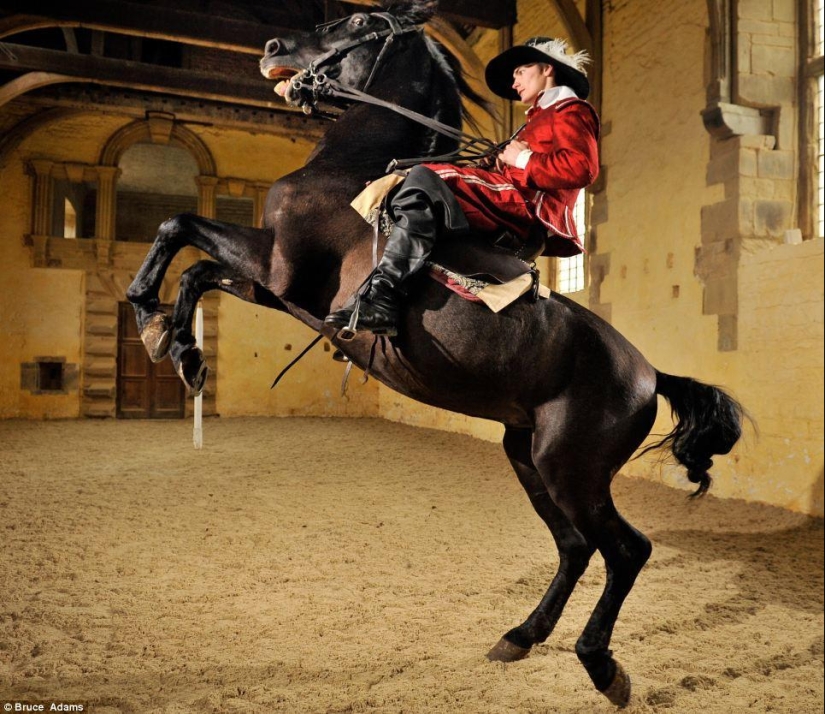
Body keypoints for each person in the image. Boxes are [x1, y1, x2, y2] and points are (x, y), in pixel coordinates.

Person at [325, 37, 600, 337]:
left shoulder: (571, 110)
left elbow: (582, 168)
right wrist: (497, 162)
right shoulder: (538, 118)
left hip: (527, 210)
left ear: (547, 68)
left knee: (422, 178)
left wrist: (522, 158)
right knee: (405, 180)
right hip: (508, 198)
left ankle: (383, 297)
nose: (514, 80)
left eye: (520, 71)